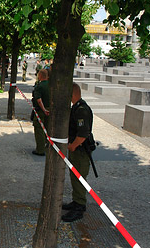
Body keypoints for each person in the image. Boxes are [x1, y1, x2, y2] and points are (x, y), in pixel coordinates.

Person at [62, 83, 93, 223]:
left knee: (79, 177)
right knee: (75, 177)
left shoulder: (81, 110)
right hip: (77, 149)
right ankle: (76, 201)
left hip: (80, 150)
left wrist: (73, 146)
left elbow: (83, 134)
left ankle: (79, 207)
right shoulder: (76, 107)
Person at [32, 69, 50, 156]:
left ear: (40, 76)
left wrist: (44, 109)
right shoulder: (51, 85)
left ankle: (40, 149)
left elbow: (39, 100)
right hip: (50, 110)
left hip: (41, 111)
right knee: (47, 128)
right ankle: (47, 146)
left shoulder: (39, 86)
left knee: (39, 129)